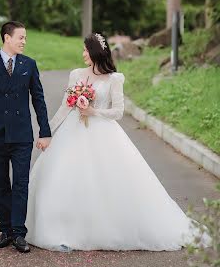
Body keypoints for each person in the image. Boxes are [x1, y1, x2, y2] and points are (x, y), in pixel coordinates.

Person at [26, 32, 199, 252]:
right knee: (64, 176)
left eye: (86, 50)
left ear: (97, 52)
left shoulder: (114, 79)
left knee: (109, 180)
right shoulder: (76, 74)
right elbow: (64, 107)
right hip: (73, 132)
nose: (83, 54)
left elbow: (118, 111)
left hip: (103, 133)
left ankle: (103, 229)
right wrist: (47, 131)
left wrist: (92, 110)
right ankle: (63, 228)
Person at [0, 21, 51, 253]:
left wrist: (45, 130)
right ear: (7, 38)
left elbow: (38, 99)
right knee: (0, 184)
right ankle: (5, 230)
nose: (24, 42)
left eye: (25, 38)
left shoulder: (29, 65)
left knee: (20, 183)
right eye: (21, 37)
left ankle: (19, 233)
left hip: (21, 135)